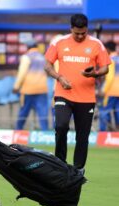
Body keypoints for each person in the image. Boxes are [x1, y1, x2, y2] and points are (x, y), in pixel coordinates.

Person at [44, 14, 111, 173]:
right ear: (70, 29)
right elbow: (47, 65)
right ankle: (60, 165)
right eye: (77, 33)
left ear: (87, 29)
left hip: (86, 97)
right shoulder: (59, 42)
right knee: (60, 126)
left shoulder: (96, 44)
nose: (80, 36)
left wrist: (94, 73)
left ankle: (78, 170)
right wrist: (59, 78)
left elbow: (105, 68)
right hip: (63, 94)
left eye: (83, 33)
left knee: (82, 135)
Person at [13, 39, 48, 130]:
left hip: (28, 90)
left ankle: (18, 131)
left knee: (23, 113)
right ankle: (46, 134)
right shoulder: (43, 57)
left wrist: (16, 87)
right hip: (42, 89)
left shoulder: (26, 57)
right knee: (43, 114)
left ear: (28, 47)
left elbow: (22, 73)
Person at [99, 41, 119, 131]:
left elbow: (110, 77)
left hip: (111, 90)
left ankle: (103, 132)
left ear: (107, 49)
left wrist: (104, 90)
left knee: (105, 110)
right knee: (117, 112)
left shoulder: (110, 59)